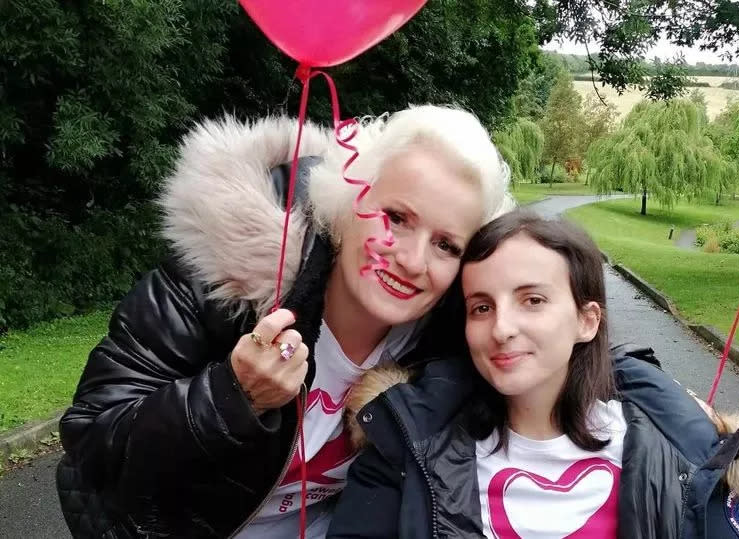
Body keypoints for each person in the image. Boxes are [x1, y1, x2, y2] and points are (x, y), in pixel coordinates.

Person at [56, 105, 515, 538]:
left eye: (446, 246)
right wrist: (231, 396)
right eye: (396, 218)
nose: (413, 261)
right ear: (347, 200)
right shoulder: (224, 281)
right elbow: (91, 438)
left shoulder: (443, 348)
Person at [329, 210, 739, 538]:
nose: (502, 329)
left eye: (533, 301)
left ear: (588, 320)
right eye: (481, 307)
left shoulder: (680, 454)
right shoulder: (404, 446)